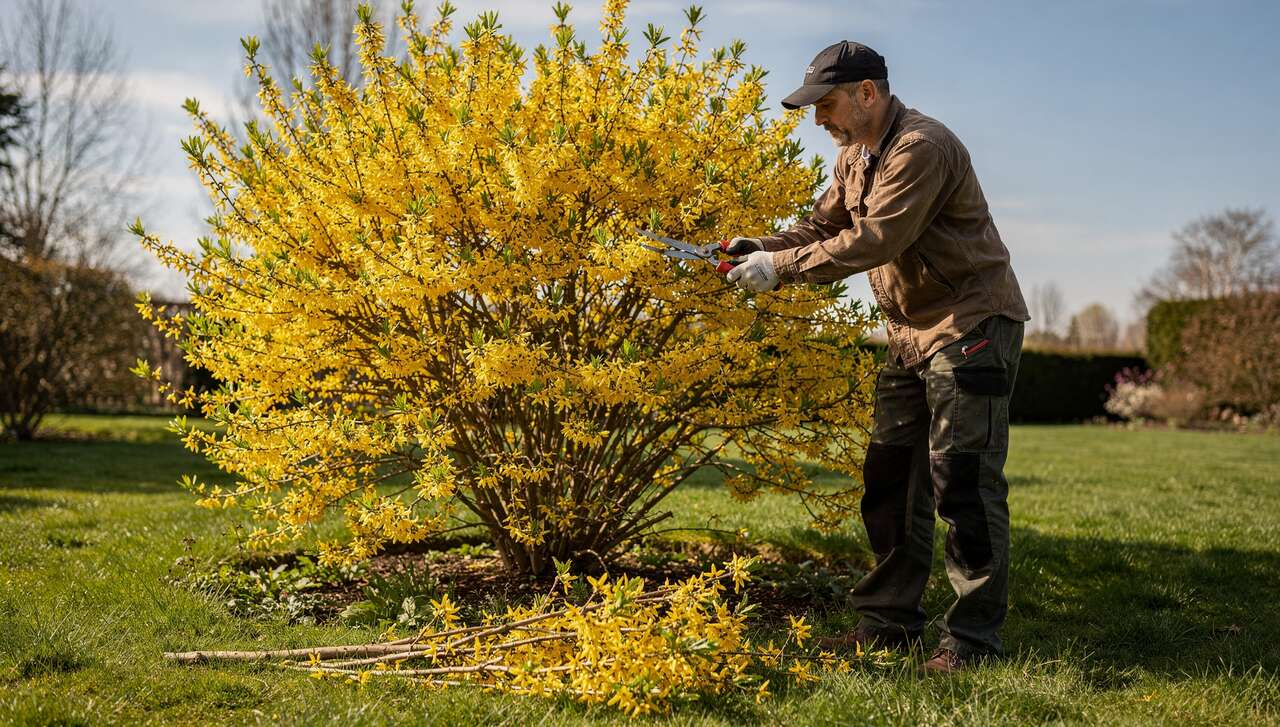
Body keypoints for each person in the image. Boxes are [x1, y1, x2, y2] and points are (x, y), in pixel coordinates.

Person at [725, 40, 1030, 673]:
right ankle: (889, 623)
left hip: (969, 326)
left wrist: (777, 271)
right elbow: (822, 228)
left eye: (827, 104)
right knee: (892, 480)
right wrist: (763, 245)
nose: (818, 120)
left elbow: (876, 238)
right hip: (911, 336)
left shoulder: (921, 148)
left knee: (964, 486)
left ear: (869, 92)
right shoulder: (853, 157)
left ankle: (972, 642)